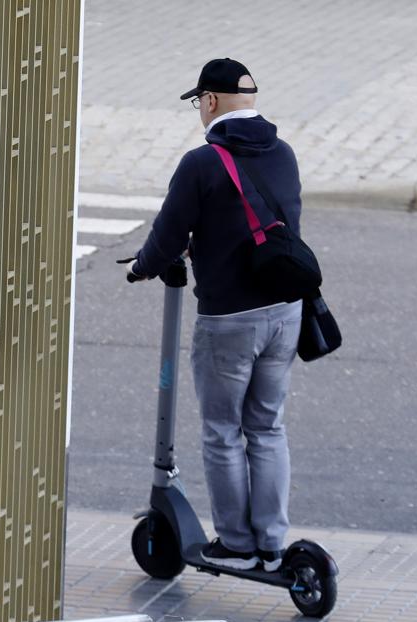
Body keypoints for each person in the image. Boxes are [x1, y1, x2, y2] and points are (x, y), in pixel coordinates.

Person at [124, 58, 303, 573]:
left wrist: (143, 267)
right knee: (267, 428)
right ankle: (271, 544)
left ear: (209, 102)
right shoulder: (284, 153)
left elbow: (168, 234)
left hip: (230, 319)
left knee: (223, 431)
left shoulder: (202, 163)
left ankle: (237, 546)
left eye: (198, 104)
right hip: (285, 312)